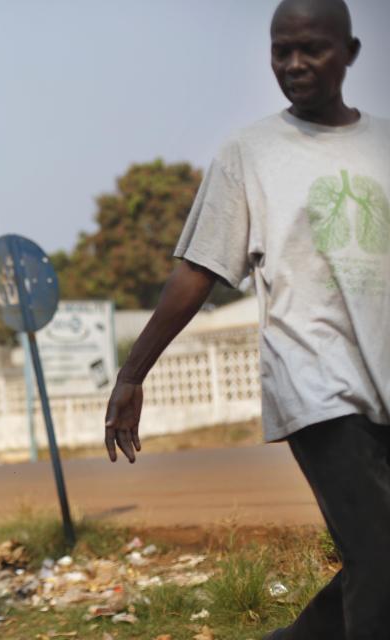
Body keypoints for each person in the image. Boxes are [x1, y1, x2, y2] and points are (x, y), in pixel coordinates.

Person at [103, 1, 389, 638]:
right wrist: (132, 373)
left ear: (351, 52)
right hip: (314, 380)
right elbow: (196, 273)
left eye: (310, 49)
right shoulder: (251, 152)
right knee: (380, 556)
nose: (293, 64)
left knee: (380, 559)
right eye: (279, 49)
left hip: (382, 380)